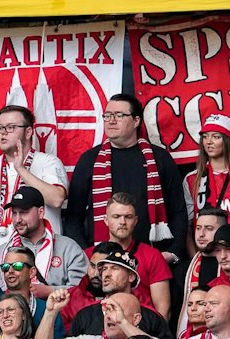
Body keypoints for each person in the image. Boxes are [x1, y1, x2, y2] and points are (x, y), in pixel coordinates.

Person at [66, 93, 187, 253]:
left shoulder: (160, 158)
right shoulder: (89, 160)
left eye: (119, 115)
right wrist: (87, 255)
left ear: (136, 121)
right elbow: (73, 216)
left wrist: (173, 253)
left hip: (153, 257)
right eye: (107, 115)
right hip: (103, 259)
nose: (111, 121)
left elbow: (178, 210)